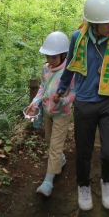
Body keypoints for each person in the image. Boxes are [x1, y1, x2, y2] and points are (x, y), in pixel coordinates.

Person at [53, 0, 109, 212]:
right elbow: (69, 67)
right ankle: (83, 184)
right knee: (83, 150)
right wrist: (61, 90)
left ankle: (106, 180)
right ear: (94, 23)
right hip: (85, 102)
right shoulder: (76, 38)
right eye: (108, 23)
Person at [26, 32, 75, 197]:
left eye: (54, 56)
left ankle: (48, 182)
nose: (50, 59)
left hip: (62, 113)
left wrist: (63, 101)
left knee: (54, 146)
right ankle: (60, 159)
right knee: (48, 141)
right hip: (47, 112)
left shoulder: (69, 71)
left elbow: (74, 93)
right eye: (48, 55)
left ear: (63, 55)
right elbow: (42, 87)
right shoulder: (45, 69)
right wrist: (35, 102)